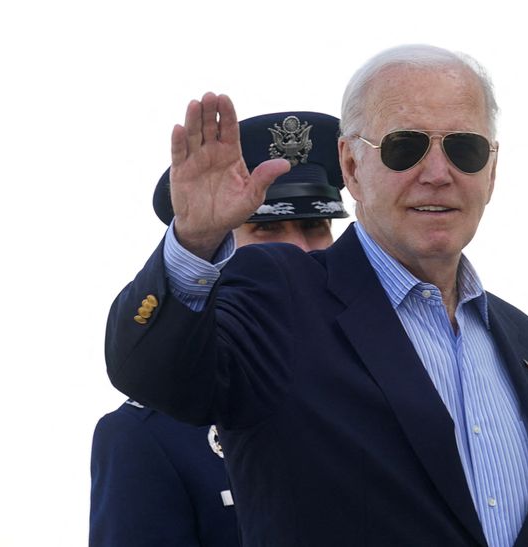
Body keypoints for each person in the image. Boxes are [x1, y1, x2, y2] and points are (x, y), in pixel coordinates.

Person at [105, 44, 528, 547]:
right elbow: (152, 372)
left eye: (465, 148)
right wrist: (196, 241)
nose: (439, 173)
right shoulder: (279, 297)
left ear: (491, 171)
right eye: (406, 146)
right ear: (351, 167)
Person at [90, 111, 347, 547]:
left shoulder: (388, 379)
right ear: (220, 248)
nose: (300, 250)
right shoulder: (149, 435)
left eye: (314, 227)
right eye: (267, 228)